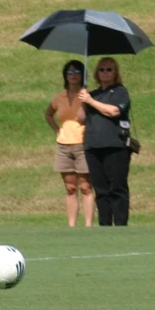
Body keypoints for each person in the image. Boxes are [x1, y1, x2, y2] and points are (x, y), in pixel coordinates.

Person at [76, 57, 132, 226]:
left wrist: (91, 101)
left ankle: (121, 225)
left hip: (115, 145)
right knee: (100, 189)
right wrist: (82, 101)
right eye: (102, 69)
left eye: (109, 69)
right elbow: (80, 119)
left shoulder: (120, 92)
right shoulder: (92, 94)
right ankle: (104, 225)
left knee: (117, 187)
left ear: (115, 72)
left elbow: (114, 111)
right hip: (93, 145)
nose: (105, 73)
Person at [45, 60, 95, 227]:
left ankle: (88, 225)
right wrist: (57, 130)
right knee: (70, 187)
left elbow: (90, 118)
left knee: (86, 187)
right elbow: (49, 114)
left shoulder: (87, 96)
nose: (73, 75)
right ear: (65, 76)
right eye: (70, 72)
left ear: (82, 75)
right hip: (64, 145)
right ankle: (71, 226)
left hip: (83, 143)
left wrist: (86, 101)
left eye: (77, 72)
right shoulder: (60, 97)